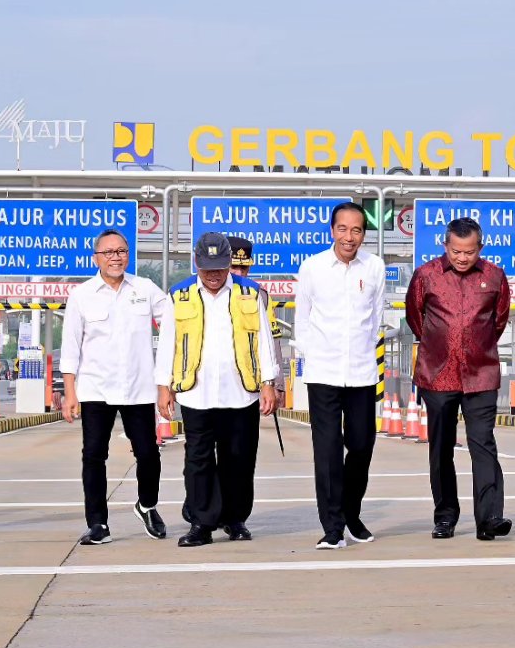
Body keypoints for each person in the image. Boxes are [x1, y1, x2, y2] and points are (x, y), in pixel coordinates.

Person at [156, 232, 279, 547]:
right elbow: (167, 343)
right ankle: (201, 523)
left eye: (220, 268)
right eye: (207, 267)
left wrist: (269, 383)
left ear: (229, 265)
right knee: (197, 460)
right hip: (196, 391)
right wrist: (163, 387)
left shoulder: (250, 293)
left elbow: (263, 341)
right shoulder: (178, 296)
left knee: (238, 458)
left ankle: (235, 519)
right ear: (196, 262)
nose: (213, 275)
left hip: (241, 392)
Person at [62, 228, 174, 546]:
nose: (116, 257)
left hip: (139, 389)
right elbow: (71, 348)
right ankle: (98, 523)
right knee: (94, 456)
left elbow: (173, 326)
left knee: (149, 454)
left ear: (129, 254)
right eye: (109, 252)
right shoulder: (82, 295)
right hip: (96, 389)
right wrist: (70, 393)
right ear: (95, 258)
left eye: (121, 251)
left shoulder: (145, 289)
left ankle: (147, 505)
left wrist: (166, 380)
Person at [406, 217, 513, 541]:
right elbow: (416, 318)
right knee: (441, 449)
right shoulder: (426, 276)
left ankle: (490, 518)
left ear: (480, 247)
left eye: (469, 252)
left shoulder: (494, 276)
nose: (463, 258)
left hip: (481, 374)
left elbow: (499, 320)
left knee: (484, 445)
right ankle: (445, 516)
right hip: (438, 375)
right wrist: (442, 346)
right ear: (445, 246)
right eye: (456, 251)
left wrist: (473, 346)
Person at [295, 202, 386, 549]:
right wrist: (313, 354)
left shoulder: (374, 267)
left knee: (362, 445)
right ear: (332, 231)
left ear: (364, 233)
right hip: (323, 373)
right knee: (328, 450)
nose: (350, 236)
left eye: (357, 230)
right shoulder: (313, 267)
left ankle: (350, 512)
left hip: (362, 372)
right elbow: (302, 319)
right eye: (343, 229)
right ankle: (332, 527)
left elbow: (375, 317)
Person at [228, 236, 286, 389]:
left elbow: (272, 341)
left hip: (249, 384)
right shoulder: (202, 294)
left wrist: (278, 385)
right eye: (233, 267)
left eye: (243, 268)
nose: (239, 273)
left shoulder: (260, 296)